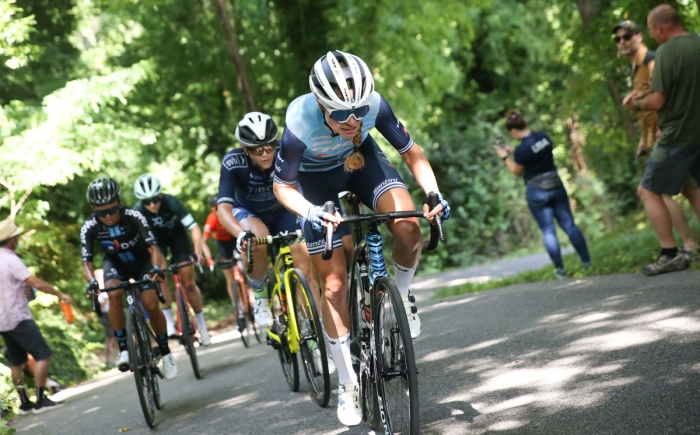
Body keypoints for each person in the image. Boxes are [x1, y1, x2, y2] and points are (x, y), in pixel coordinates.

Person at [272, 50, 449, 426]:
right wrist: (309, 212)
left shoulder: (374, 106)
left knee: (408, 227)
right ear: (321, 105)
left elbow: (412, 152)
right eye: (340, 115)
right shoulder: (300, 122)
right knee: (334, 286)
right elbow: (282, 186)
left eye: (358, 112)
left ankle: (400, 294)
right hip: (315, 184)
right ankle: (348, 382)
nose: (353, 120)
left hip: (362, 164)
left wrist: (432, 193)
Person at [216, 112, 321, 328]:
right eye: (257, 149)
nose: (265, 154)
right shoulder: (233, 162)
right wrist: (240, 234)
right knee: (255, 241)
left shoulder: (287, 151)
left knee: (304, 268)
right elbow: (223, 208)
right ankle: (260, 296)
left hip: (283, 210)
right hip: (249, 212)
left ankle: (316, 330)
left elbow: (311, 184)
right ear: (245, 149)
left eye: (269, 146)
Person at [623, 5, 700, 276]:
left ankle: (670, 254)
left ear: (659, 28)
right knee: (695, 190)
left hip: (677, 135)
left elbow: (657, 100)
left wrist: (635, 103)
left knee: (649, 191)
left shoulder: (666, 52)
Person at [80, 177, 177, 380]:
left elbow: (153, 248)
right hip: (115, 265)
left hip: (142, 262)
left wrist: (157, 268)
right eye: (101, 212)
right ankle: (124, 349)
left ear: (119, 204)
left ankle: (166, 352)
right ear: (93, 209)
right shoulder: (89, 226)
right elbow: (87, 263)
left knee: (151, 305)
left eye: (112, 210)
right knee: (113, 294)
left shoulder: (134, 216)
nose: (107, 216)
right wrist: (91, 282)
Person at [494, 111, 590, 277]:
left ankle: (560, 270)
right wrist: (515, 151)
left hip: (537, 192)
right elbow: (534, 153)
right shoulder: (544, 137)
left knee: (548, 231)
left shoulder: (521, 150)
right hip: (556, 186)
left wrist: (505, 157)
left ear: (514, 131)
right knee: (569, 225)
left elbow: (517, 170)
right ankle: (587, 263)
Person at [0, 217, 72, 414]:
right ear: (11, 239)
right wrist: (60, 294)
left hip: (2, 321)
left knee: (16, 362)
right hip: (18, 318)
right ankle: (40, 400)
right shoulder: (10, 259)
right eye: (17, 236)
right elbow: (36, 283)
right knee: (43, 355)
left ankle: (24, 403)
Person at [133, 174, 212, 345]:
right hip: (156, 243)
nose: (152, 205)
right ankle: (169, 323)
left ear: (160, 195)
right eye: (147, 202)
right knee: (160, 274)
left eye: (155, 199)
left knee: (188, 281)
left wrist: (198, 253)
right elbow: (137, 242)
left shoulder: (171, 202)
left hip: (178, 238)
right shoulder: (137, 211)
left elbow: (194, 228)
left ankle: (202, 326)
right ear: (141, 202)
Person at [202, 194, 243, 320]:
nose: (218, 211)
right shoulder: (211, 221)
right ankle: (238, 306)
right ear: (212, 210)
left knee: (246, 265)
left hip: (235, 239)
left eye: (220, 207)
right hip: (222, 244)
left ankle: (250, 290)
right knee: (229, 277)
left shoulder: (233, 214)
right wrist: (209, 258)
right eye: (215, 209)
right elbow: (204, 242)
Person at [93, 269, 116, 366]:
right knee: (111, 336)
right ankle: (108, 359)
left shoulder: (103, 287)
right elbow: (99, 305)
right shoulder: (99, 289)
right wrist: (106, 300)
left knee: (114, 335)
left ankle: (112, 357)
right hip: (106, 315)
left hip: (110, 313)